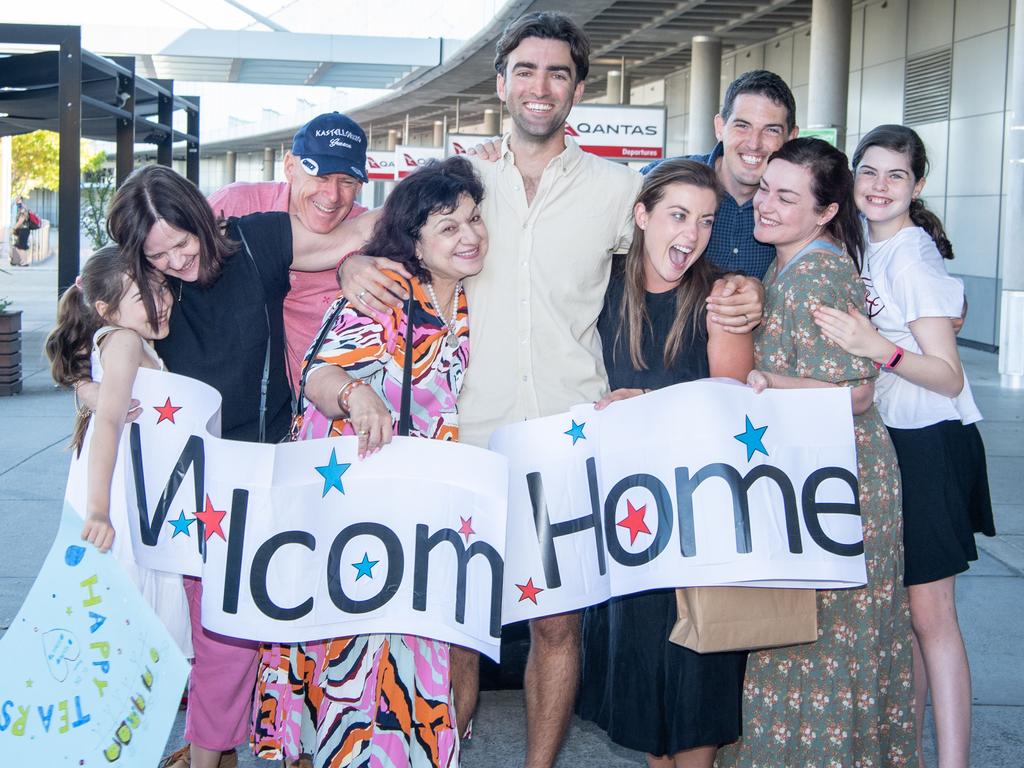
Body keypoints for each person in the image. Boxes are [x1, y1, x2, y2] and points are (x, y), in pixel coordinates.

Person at [338, 14, 764, 765]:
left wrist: (742, 290)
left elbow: (684, 243)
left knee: (557, 627)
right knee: (460, 632)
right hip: (463, 442)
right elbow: (372, 237)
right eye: (526, 71)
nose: (541, 86)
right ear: (500, 84)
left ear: (577, 89)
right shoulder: (462, 182)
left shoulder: (616, 188)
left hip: (569, 441)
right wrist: (349, 268)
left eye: (558, 73)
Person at [76, 164, 374, 768]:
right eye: (159, 258)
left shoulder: (258, 238)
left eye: (183, 243)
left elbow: (356, 232)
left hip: (264, 470)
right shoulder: (146, 290)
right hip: (183, 482)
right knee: (209, 634)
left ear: (203, 220)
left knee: (238, 629)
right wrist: (88, 388)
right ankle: (212, 747)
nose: (178, 263)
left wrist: (353, 263)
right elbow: (87, 333)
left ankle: (227, 746)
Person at [251, 155, 486, 768]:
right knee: (356, 667)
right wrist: (357, 395)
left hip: (429, 518)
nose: (470, 235)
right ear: (413, 240)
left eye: (473, 220)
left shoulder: (468, 296)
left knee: (422, 664)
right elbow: (320, 373)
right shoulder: (385, 294)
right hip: (361, 519)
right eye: (449, 227)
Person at [714, 137, 917, 767]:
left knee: (822, 651)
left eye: (786, 196)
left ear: (826, 211)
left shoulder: (822, 271)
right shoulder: (791, 262)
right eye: (765, 190)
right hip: (818, 479)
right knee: (802, 645)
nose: (765, 205)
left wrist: (767, 383)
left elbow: (857, 392)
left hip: (843, 486)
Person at [813, 124, 994, 768]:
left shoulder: (912, 255)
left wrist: (876, 348)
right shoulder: (867, 244)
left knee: (932, 617)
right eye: (870, 172)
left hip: (932, 443)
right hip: (898, 442)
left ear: (917, 187)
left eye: (897, 175)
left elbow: (947, 374)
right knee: (915, 619)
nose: (880, 186)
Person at [576, 159, 753, 768]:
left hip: (701, 517)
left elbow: (734, 407)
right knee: (646, 679)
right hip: (628, 519)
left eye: (705, 221)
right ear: (642, 216)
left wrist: (648, 405)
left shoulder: (720, 297)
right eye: (678, 215)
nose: (691, 234)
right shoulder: (600, 287)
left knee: (697, 678)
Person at [44, 245, 191, 655]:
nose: (159, 302)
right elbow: (108, 421)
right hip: (121, 496)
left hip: (134, 486)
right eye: (142, 296)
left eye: (161, 289)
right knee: (126, 604)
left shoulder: (131, 338)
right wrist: (98, 510)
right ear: (107, 310)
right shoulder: (125, 342)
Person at [208, 112, 369, 394]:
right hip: (231, 405)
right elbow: (158, 262)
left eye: (346, 182)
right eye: (320, 175)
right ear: (290, 166)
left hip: (325, 411)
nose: (332, 195)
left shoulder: (370, 234)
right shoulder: (235, 204)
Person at [642, 70, 800, 280]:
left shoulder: (801, 206)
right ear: (720, 127)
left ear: (791, 137)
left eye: (771, 130)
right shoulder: (661, 179)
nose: (754, 143)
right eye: (742, 126)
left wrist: (761, 295)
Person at [11, 196, 36, 266]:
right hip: (23, 230)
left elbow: (21, 221)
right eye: (16, 200)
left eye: (18, 200)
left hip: (24, 230)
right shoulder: (22, 208)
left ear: (21, 200)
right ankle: (22, 261)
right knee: (20, 246)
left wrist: (14, 228)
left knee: (21, 247)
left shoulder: (22, 208)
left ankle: (24, 262)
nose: (16, 201)